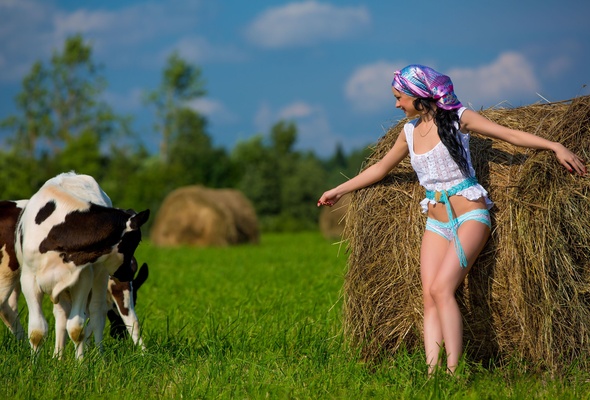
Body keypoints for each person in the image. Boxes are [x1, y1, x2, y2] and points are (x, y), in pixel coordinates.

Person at [317, 64, 587, 375]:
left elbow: (509, 135)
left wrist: (555, 145)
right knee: (429, 295)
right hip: (436, 222)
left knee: (443, 289)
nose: (396, 104)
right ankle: (433, 376)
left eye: (399, 97)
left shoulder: (459, 118)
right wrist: (339, 189)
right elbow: (379, 169)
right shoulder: (408, 132)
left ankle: (454, 373)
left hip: (471, 215)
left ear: (419, 96)